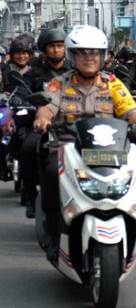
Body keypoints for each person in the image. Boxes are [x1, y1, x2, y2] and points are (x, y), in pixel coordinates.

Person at [31, 25, 136, 261]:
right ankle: (52, 233)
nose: (89, 58)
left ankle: (132, 230)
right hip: (69, 148)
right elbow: (46, 108)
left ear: (102, 56)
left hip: (109, 149)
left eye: (94, 53)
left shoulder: (112, 82)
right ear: (72, 56)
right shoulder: (59, 84)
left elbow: (129, 110)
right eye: (82, 53)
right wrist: (42, 119)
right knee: (50, 172)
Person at [18, 29, 70, 218]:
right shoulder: (34, 72)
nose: (56, 50)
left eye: (59, 46)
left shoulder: (74, 71)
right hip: (42, 124)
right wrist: (20, 100)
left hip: (71, 124)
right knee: (28, 148)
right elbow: (21, 91)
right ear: (44, 50)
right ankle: (31, 196)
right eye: (52, 47)